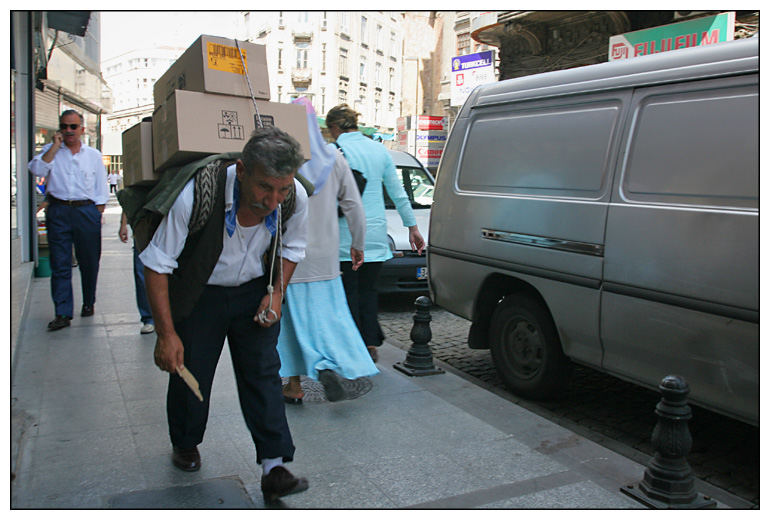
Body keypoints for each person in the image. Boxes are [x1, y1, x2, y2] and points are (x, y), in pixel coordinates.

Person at [139, 126, 309, 504]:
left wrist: (276, 294)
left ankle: (273, 466)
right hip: (201, 292)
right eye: (266, 187)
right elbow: (156, 264)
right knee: (191, 370)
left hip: (254, 292)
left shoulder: (293, 197)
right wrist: (166, 335)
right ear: (242, 170)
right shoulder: (197, 194)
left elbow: (293, 247)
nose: (273, 200)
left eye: (283, 189)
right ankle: (185, 442)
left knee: (264, 372)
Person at [277, 98, 378, 404]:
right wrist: (358, 244)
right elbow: (354, 207)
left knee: (290, 323)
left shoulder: (281, 160)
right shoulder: (333, 157)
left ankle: (293, 384)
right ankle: (331, 364)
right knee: (330, 317)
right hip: (325, 258)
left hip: (287, 258)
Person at [325, 104, 425, 363]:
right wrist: (412, 228)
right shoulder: (380, 151)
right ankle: (369, 342)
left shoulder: (333, 151)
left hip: (345, 235)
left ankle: (354, 346)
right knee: (368, 291)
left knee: (346, 293)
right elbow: (398, 193)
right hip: (376, 236)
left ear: (335, 127)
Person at [28, 109, 109, 331]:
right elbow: (36, 169)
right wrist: (54, 147)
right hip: (59, 210)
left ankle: (88, 301)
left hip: (85, 211)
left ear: (82, 129)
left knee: (89, 261)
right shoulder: (51, 152)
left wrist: (97, 211)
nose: (68, 131)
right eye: (64, 126)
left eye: (73, 127)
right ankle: (63, 312)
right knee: (60, 263)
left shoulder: (92, 155)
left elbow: (101, 186)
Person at [119, 211, 155, 334]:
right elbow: (130, 196)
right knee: (141, 272)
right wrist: (123, 224)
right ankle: (148, 318)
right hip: (142, 223)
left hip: (167, 222)